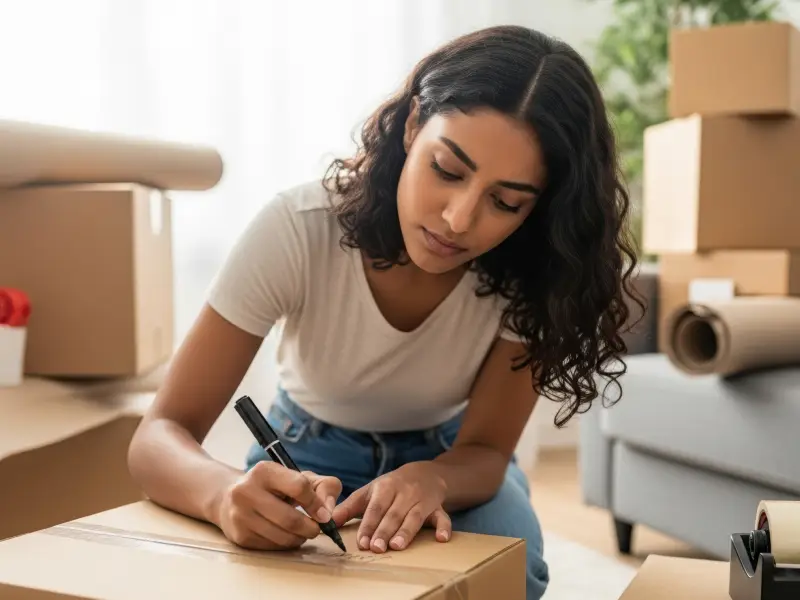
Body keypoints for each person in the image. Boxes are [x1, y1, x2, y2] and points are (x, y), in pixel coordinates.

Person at [127, 24, 642, 600]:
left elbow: (489, 452)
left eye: (506, 201)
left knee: (509, 571)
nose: (458, 220)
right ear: (415, 125)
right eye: (447, 170)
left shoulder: (538, 271)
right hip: (308, 456)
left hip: (449, 458)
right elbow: (158, 437)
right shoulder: (298, 229)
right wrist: (222, 494)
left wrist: (437, 476)